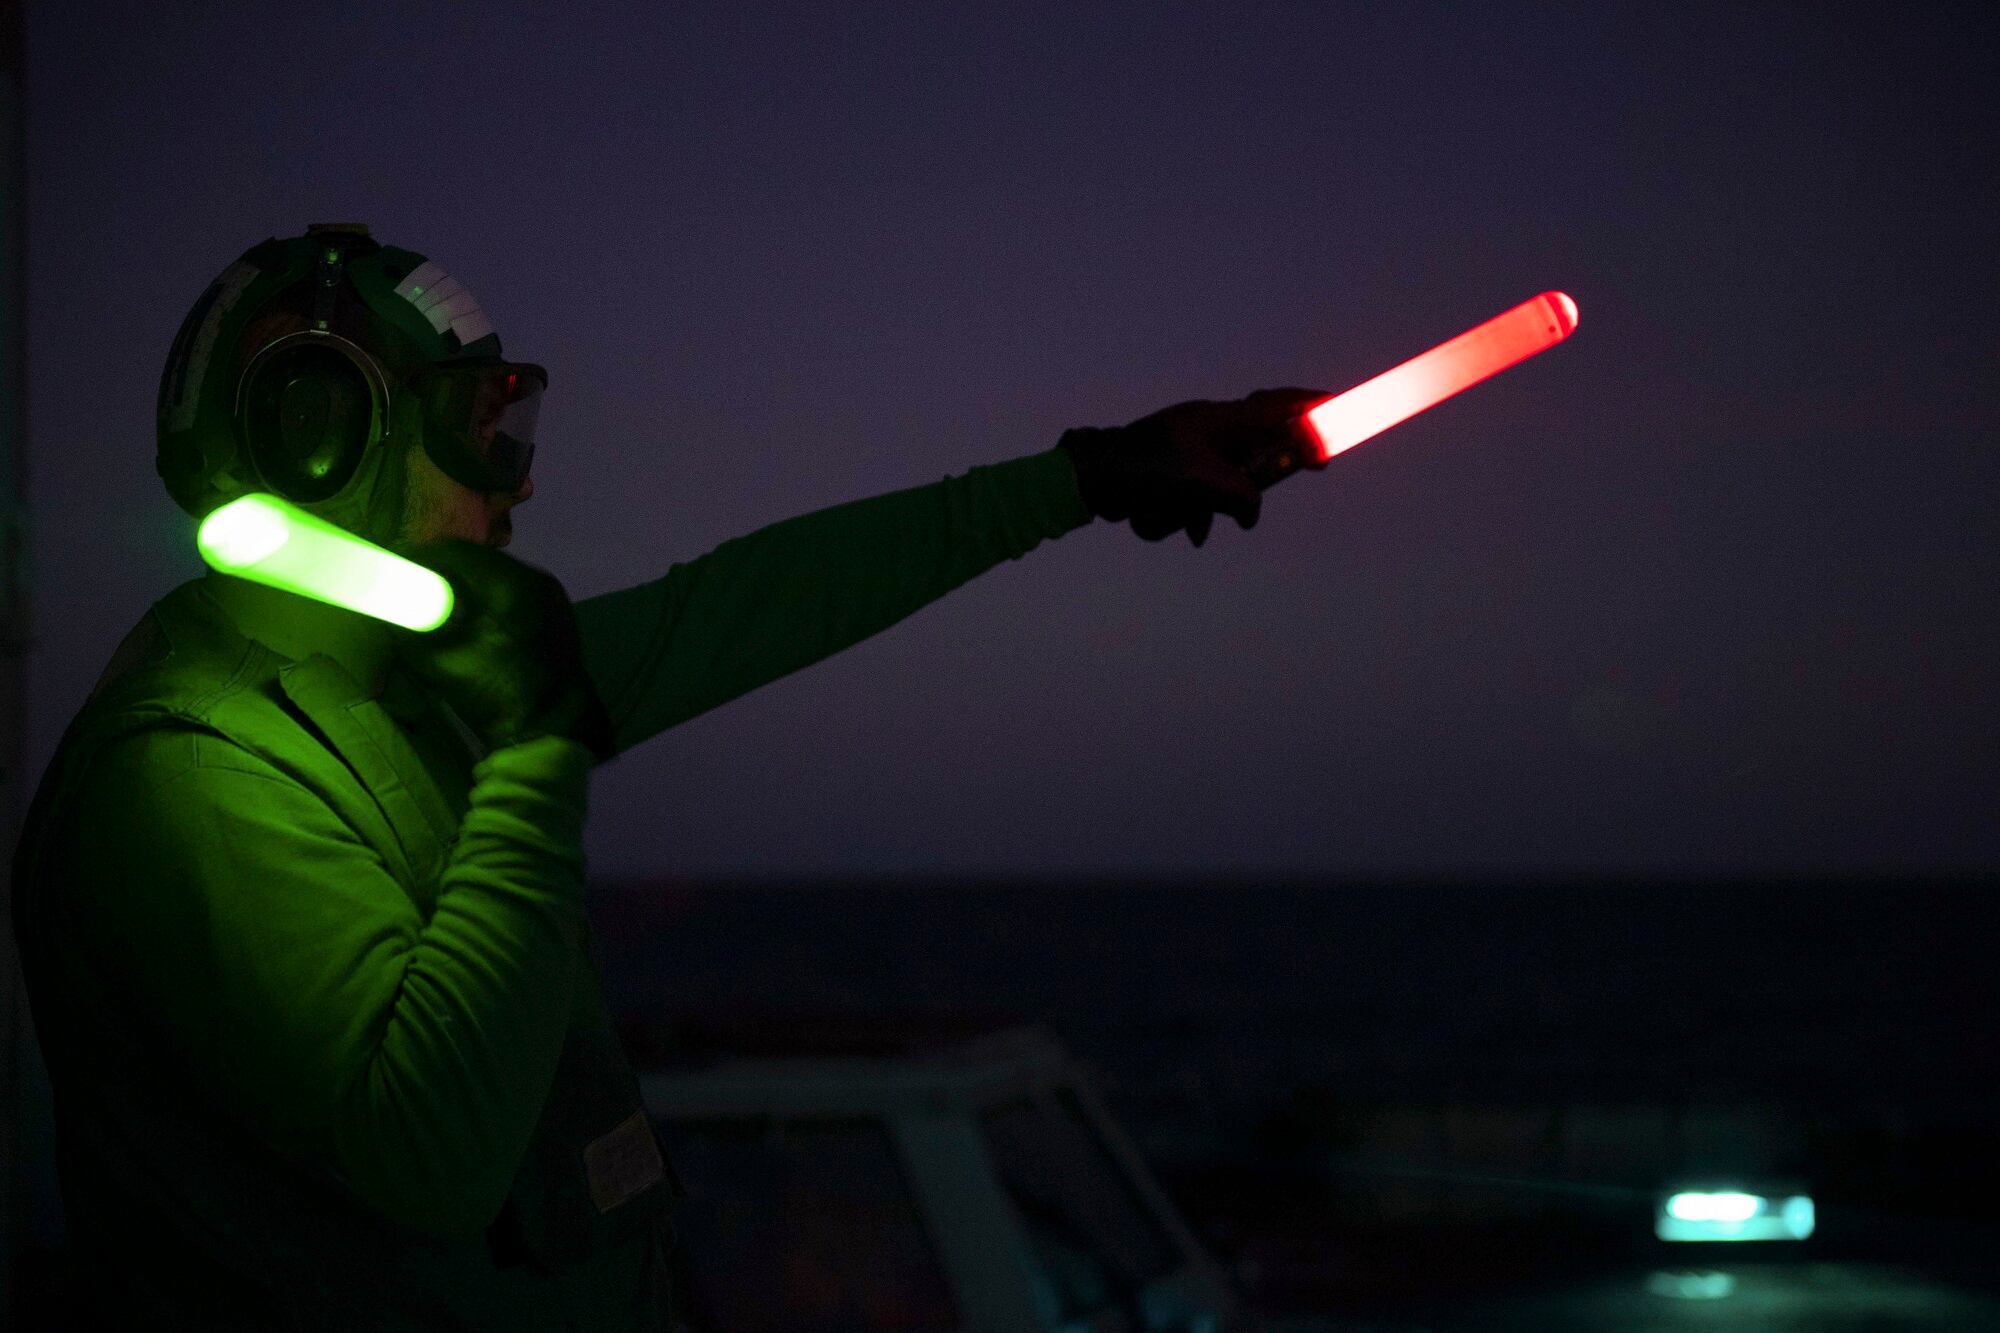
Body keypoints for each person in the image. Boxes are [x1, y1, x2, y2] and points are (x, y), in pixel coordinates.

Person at [8, 222, 1326, 1330]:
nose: (512, 495)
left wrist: (1089, 475)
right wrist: (535, 743)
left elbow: (752, 603)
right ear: (322, 435)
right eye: (481, 439)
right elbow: (432, 1144)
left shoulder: (417, 681)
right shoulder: (187, 779)